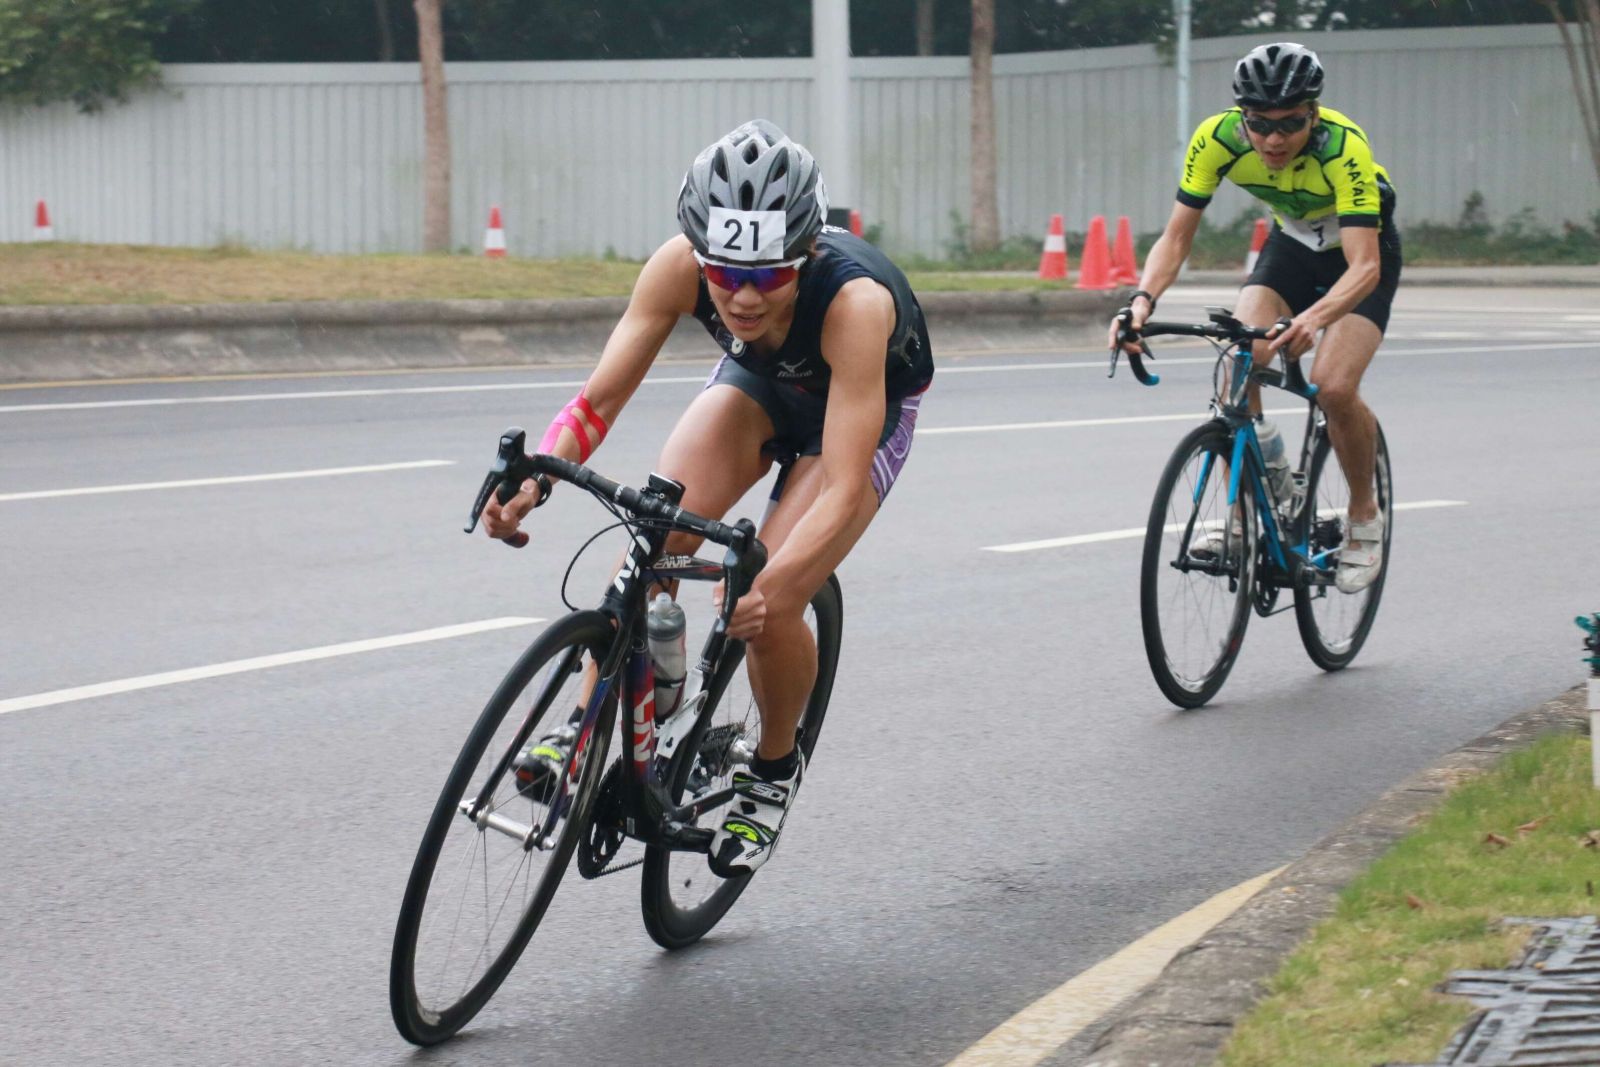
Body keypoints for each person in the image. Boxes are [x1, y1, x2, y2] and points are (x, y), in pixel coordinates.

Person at [482, 119, 933, 877]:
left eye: (769, 273)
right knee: (653, 537)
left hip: (857, 413)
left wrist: (781, 583)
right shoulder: (676, 267)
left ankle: (773, 767)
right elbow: (595, 404)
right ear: (698, 253)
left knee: (770, 598)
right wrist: (537, 477)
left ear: (808, 253)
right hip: (762, 388)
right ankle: (590, 723)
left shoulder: (855, 305)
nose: (744, 296)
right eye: (724, 273)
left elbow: (843, 485)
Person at [1112, 42, 1400, 592]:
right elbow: (1176, 237)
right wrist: (1141, 300)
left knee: (1332, 388)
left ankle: (1364, 515)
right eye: (1259, 124)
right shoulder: (1216, 138)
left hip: (1358, 257)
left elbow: (1364, 266)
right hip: (1291, 246)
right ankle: (1247, 514)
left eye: (1289, 124)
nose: (1272, 139)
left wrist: (1314, 318)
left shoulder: (1344, 148)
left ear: (1313, 115)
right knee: (1241, 359)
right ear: (1241, 117)